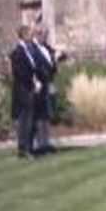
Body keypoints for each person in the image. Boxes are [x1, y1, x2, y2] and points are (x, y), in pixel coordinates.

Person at [9, 25, 40, 160]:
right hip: (23, 90)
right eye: (29, 34)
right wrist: (33, 82)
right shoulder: (18, 52)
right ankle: (25, 149)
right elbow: (20, 73)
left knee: (26, 119)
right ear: (23, 35)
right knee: (26, 120)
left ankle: (24, 147)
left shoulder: (28, 50)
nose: (31, 36)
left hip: (28, 89)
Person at [30, 25, 60, 154]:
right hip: (38, 86)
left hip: (48, 84)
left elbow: (52, 62)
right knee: (38, 116)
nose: (45, 37)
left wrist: (58, 57)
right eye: (43, 34)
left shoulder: (47, 48)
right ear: (37, 34)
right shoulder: (32, 48)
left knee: (46, 115)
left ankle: (46, 143)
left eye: (46, 34)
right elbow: (33, 67)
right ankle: (39, 144)